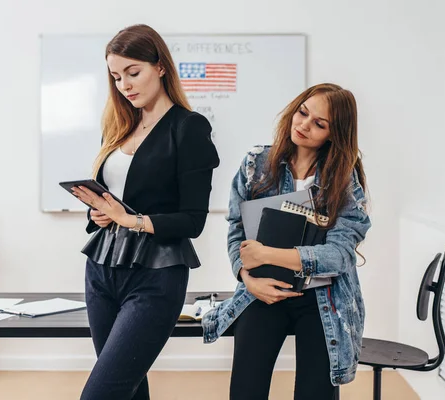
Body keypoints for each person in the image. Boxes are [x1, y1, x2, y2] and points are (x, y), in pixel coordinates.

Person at [71, 24, 219, 400]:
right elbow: (113, 200)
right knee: (129, 389)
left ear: (161, 67)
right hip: (101, 271)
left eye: (133, 72)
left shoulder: (189, 128)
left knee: (101, 393)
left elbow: (193, 221)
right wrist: (100, 214)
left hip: (156, 277)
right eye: (117, 76)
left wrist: (130, 220)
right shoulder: (119, 127)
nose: (125, 85)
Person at [202, 83, 371, 399]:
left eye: (319, 124)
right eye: (303, 113)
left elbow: (339, 256)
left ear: (334, 134)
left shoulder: (343, 179)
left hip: (324, 297)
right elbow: (236, 229)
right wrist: (246, 278)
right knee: (246, 389)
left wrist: (267, 253)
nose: (304, 125)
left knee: (316, 392)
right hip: (264, 290)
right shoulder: (256, 164)